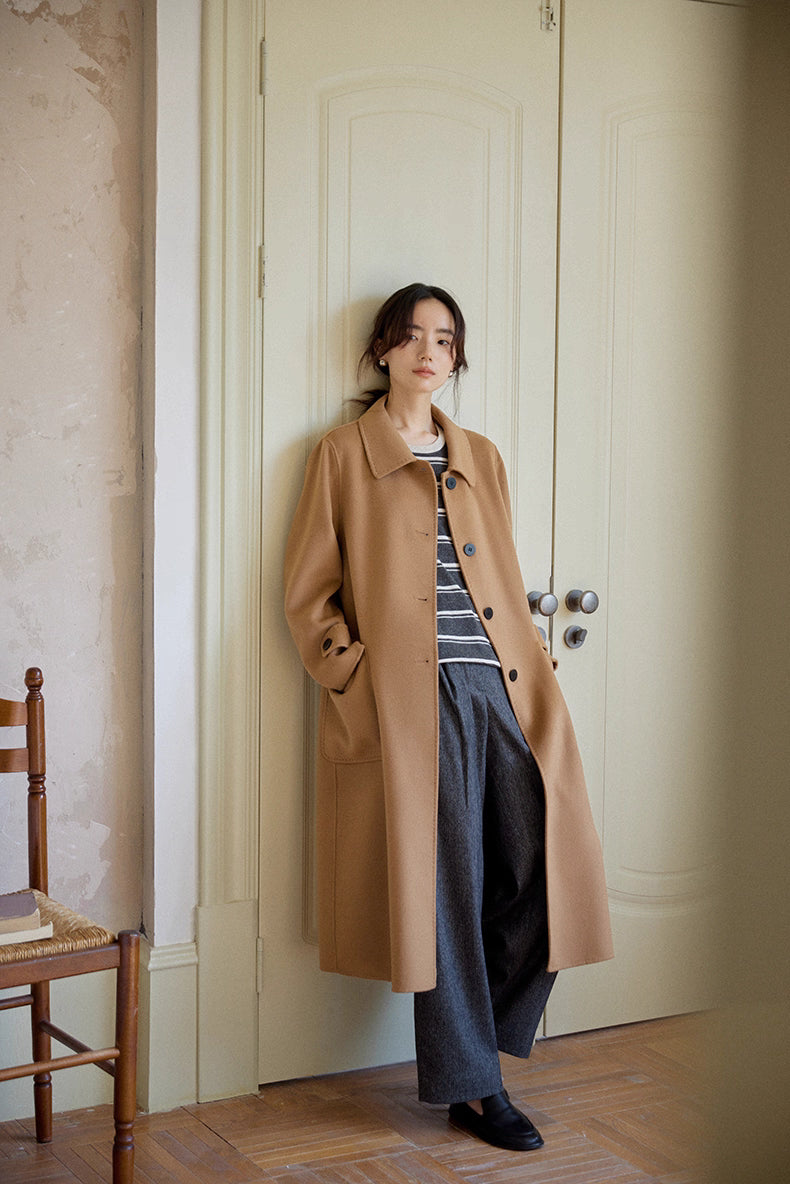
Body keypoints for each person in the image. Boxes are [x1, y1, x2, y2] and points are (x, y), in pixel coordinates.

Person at [284, 282, 613, 1152]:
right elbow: (309, 595)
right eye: (412, 335)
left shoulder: (483, 457)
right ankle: (475, 1087)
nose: (430, 351)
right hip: (409, 700)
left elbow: (500, 570)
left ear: (456, 357)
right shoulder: (341, 455)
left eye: (446, 338)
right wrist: (353, 676)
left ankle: (487, 1043)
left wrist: (534, 675)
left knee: (543, 867)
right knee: (446, 893)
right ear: (383, 351)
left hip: (504, 687)